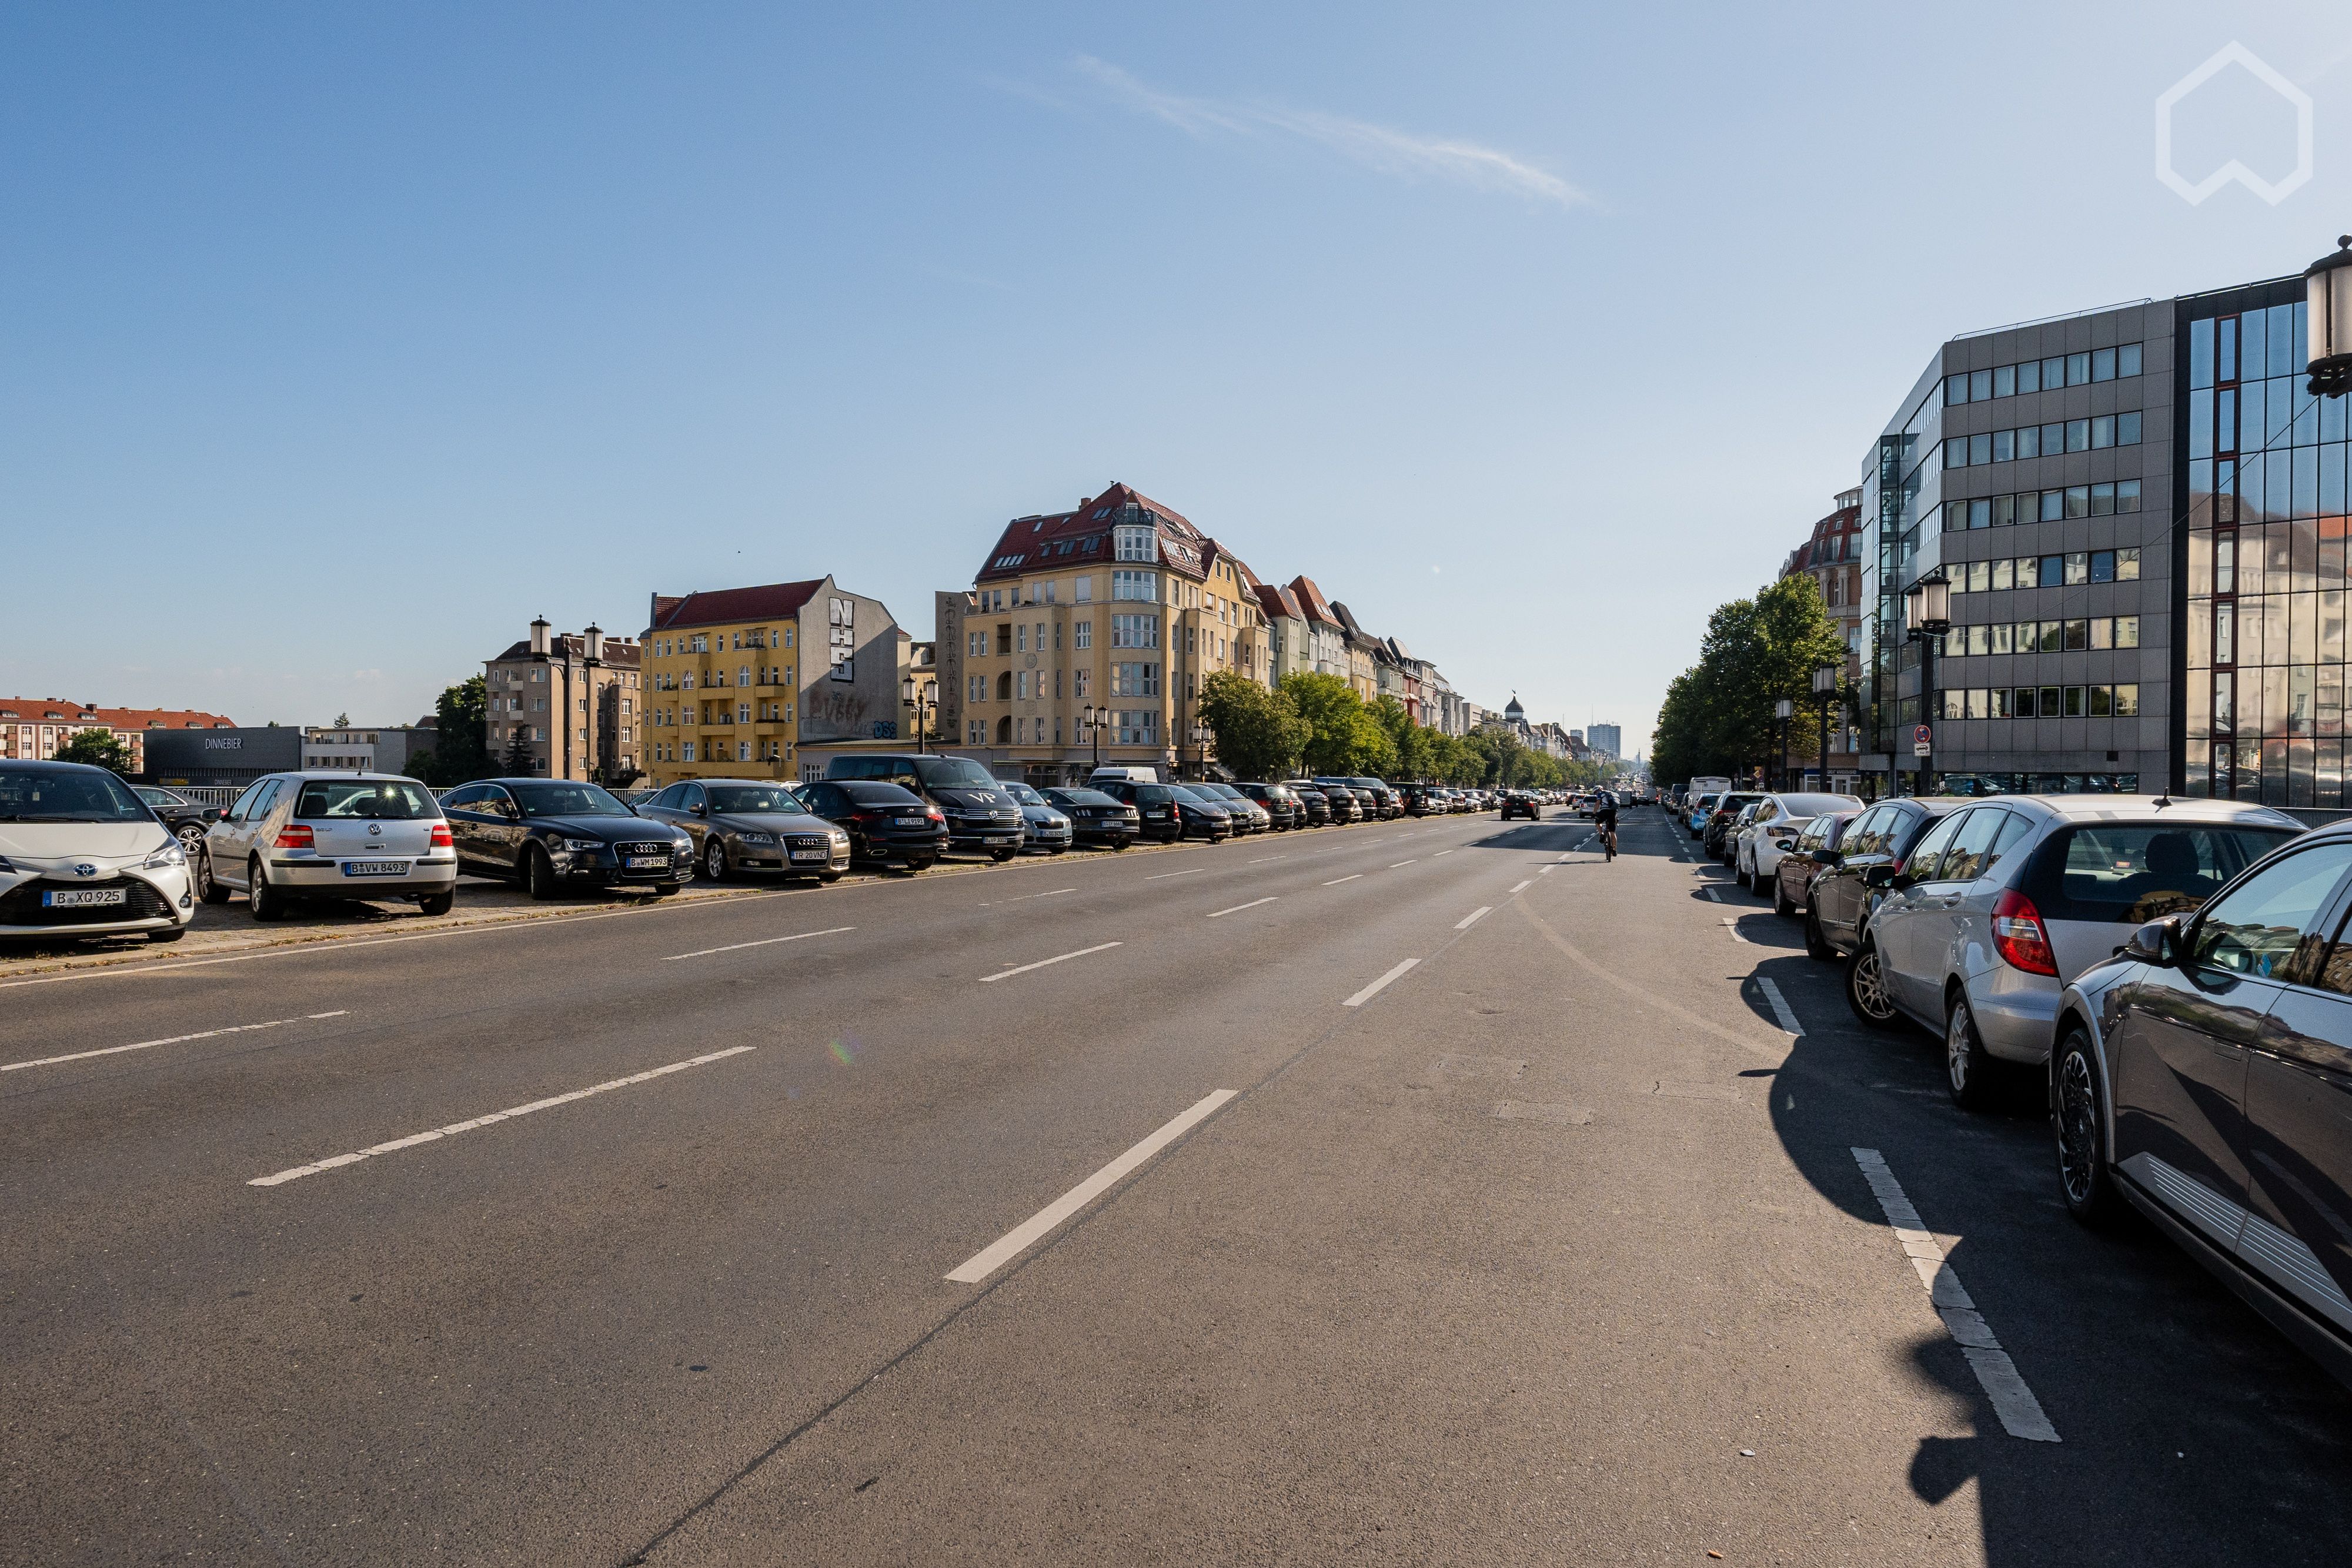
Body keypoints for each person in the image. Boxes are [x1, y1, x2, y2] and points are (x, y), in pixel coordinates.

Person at [1593, 797, 1618, 861]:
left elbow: (1597, 803)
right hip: (1613, 812)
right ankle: (1614, 850)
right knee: (1613, 831)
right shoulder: (1614, 795)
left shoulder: (1601, 794)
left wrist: (1594, 813)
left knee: (1597, 822)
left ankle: (1601, 835)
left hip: (1604, 811)